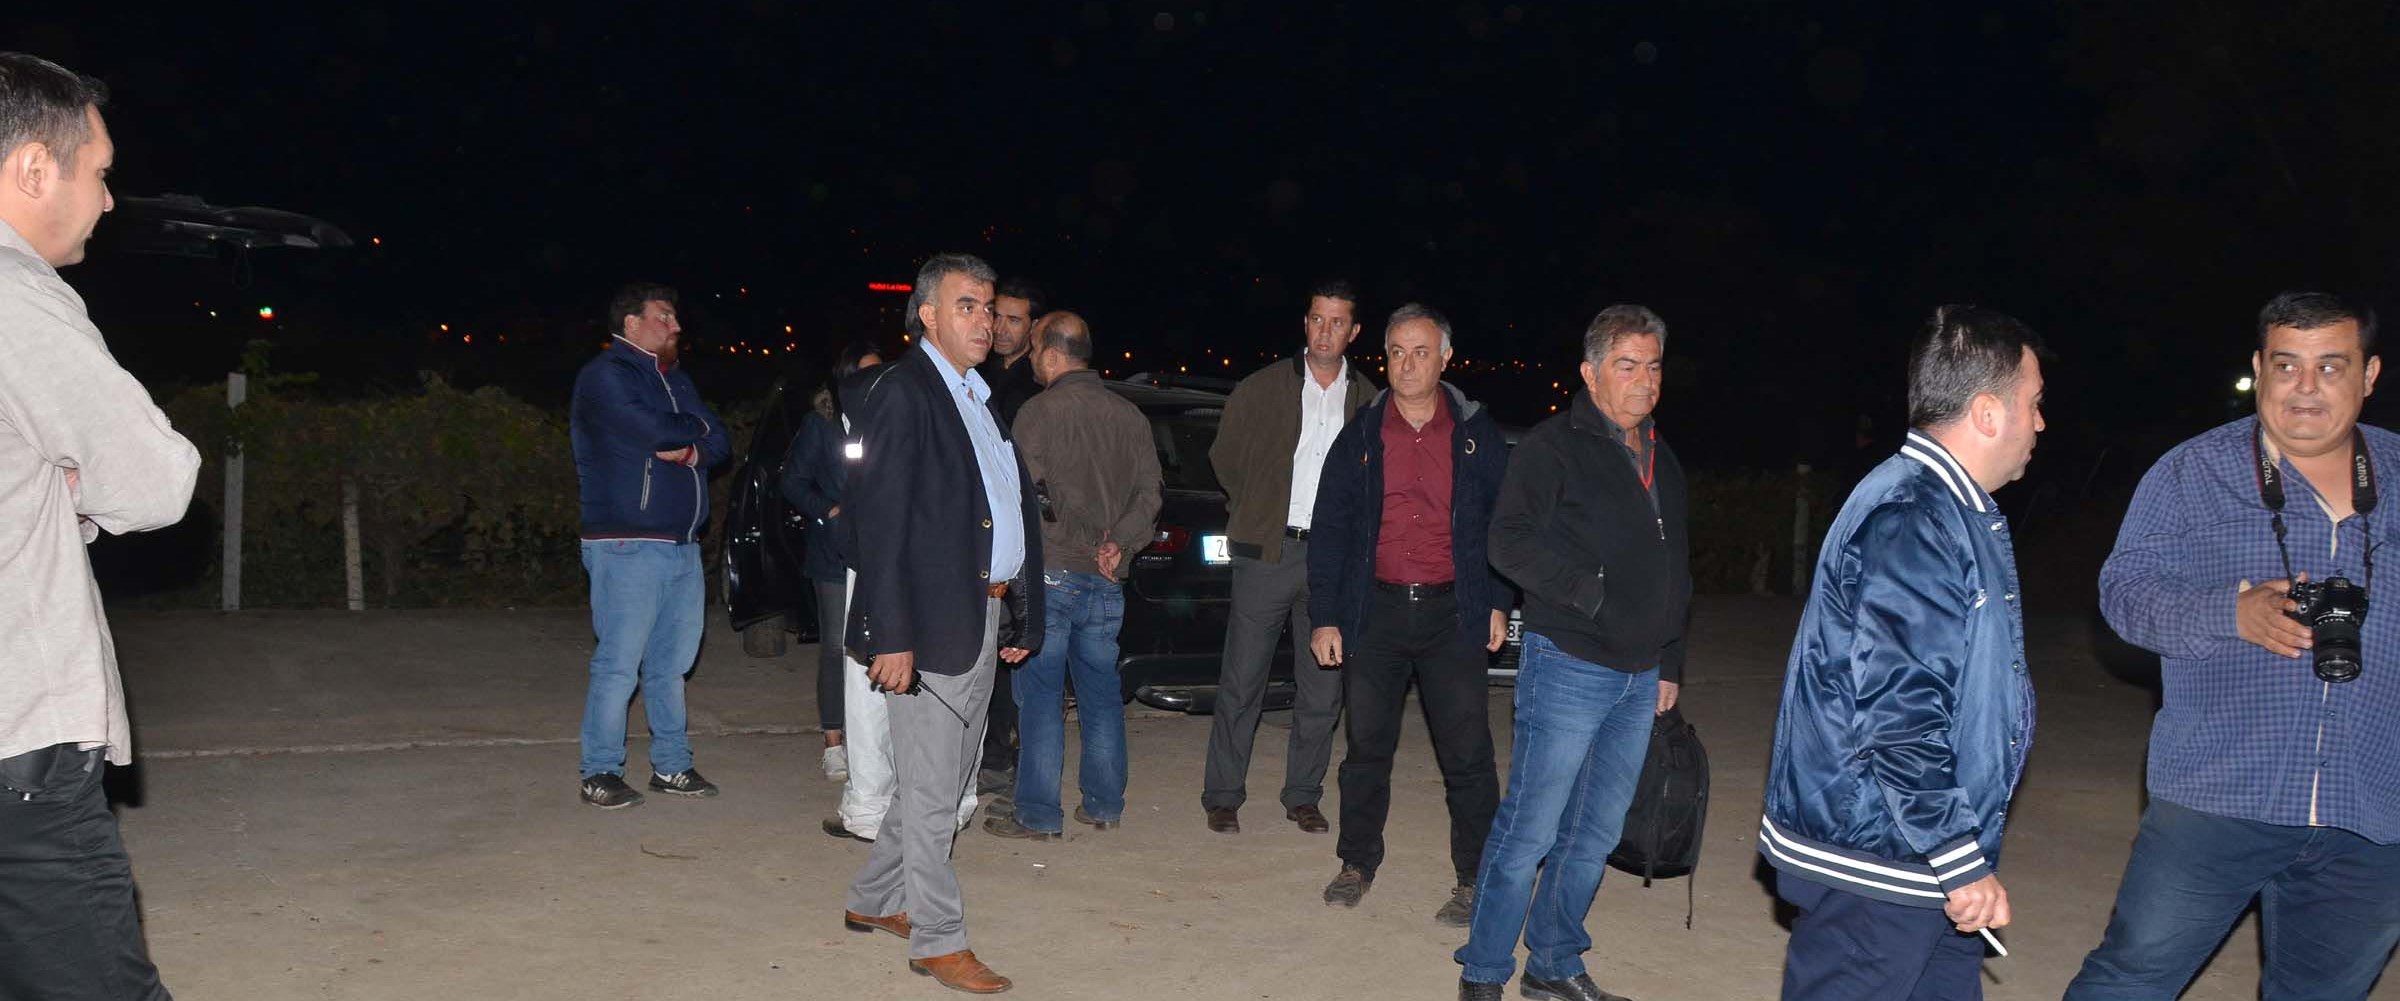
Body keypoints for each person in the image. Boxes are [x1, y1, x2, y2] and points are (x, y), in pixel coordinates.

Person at [2066, 292, 2400, 1001]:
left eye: (2330, 366)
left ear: (2369, 374)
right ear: (2259, 367)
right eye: (2286, 365)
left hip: (2376, 805)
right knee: (2129, 981)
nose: (2305, 387)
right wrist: (2230, 612)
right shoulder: (2192, 473)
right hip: (2219, 790)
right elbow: (2123, 594)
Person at [1753, 305, 2046, 1001]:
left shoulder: (1950, 507)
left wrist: (1958, 852)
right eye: (2033, 403)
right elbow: (1902, 710)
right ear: (1987, 412)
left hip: (1916, 857)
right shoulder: (1915, 515)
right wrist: (1955, 854)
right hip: (1879, 860)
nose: (2040, 423)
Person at [0, 51, 201, 1001]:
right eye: (101, 171)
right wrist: (71, 486)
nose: (110, 201)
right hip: (18, 734)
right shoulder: (16, 295)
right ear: (35, 167)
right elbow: (156, 481)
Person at [1456, 305, 1692, 1001]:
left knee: (1595, 832)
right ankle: (1484, 970)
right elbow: (1507, 541)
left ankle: (1554, 961)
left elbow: (1677, 564)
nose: (1644, 380)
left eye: (1653, 366)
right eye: (1628, 365)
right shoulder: (1552, 447)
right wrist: (1589, 595)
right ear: (1590, 373)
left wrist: (1671, 658)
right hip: (1570, 663)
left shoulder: (1663, 455)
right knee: (1530, 828)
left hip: (1640, 675)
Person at [841, 252, 1043, 994]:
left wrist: (1018, 610)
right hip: (926, 624)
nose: (984, 320)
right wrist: (891, 635)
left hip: (979, 613)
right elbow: (879, 524)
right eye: (967, 306)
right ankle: (938, 938)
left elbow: (1003, 511)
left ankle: (873, 898)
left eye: (988, 307)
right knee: (933, 793)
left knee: (945, 778)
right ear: (927, 315)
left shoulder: (976, 397)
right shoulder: (906, 392)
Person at [1305, 304, 1507, 921]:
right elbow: (1330, 530)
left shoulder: (1476, 434)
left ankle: (1476, 878)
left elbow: (1505, 524)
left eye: (1421, 352)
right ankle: (1356, 862)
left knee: (1468, 755)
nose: (1407, 364)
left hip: (1454, 614)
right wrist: (1325, 616)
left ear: (1446, 358)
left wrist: (1498, 601)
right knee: (1366, 749)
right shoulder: (1362, 436)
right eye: (1396, 352)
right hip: (1376, 614)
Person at [1201, 280, 1378, 835]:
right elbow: (1225, 458)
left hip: (1335, 560)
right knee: (1242, 680)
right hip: (1268, 552)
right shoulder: (1262, 386)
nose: (1325, 331)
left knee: (1323, 686)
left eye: (1337, 322)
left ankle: (1303, 795)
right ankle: (1223, 795)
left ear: (1353, 331)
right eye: (1317, 319)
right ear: (1305, 323)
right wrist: (1256, 511)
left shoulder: (1370, 400)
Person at [983, 311, 1163, 840]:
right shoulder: (1131, 415)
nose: (1032, 361)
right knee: (1101, 693)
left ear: (1053, 354)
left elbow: (1030, 496)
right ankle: (1104, 805)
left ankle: (1038, 814)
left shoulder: (1039, 413)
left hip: (1053, 575)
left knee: (1040, 695)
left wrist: (1083, 540)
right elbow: (1151, 494)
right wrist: (1116, 542)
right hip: (1107, 579)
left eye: (1035, 350)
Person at [568, 283, 731, 808]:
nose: (676, 326)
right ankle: (599, 771)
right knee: (619, 665)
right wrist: (691, 430)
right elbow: (654, 430)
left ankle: (672, 765)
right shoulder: (605, 377)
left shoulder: (675, 379)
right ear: (631, 323)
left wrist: (692, 449)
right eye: (664, 316)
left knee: (671, 666)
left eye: (676, 317)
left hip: (682, 544)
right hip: (627, 543)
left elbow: (720, 440)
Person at [780, 340, 883, 783]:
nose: (874, 381)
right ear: (845, 379)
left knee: (882, 644)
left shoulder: (891, 420)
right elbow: (792, 481)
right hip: (834, 556)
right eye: (865, 373)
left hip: (880, 554)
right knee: (837, 649)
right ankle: (834, 743)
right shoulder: (821, 424)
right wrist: (829, 510)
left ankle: (874, 741)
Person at [973, 277, 1044, 800]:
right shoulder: (976, 375)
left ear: (1034, 328)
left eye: (1013, 319)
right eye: (996, 315)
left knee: (1015, 652)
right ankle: (992, 752)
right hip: (982, 535)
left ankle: (1006, 757)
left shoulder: (1034, 390)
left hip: (1021, 537)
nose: (999, 327)